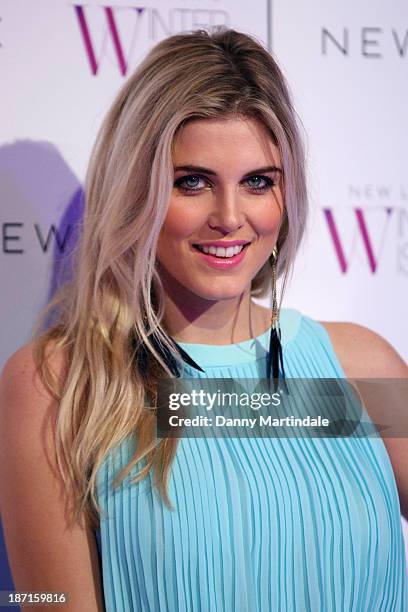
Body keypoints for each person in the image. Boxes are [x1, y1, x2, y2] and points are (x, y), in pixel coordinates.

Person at [0, 26, 407, 612]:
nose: (229, 217)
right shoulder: (59, 383)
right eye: (192, 182)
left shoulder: (359, 366)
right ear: (137, 190)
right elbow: (49, 601)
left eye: (258, 182)